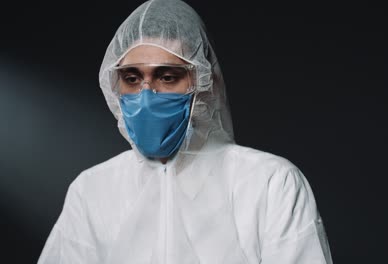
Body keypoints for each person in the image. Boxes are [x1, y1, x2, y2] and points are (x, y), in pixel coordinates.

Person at [37, 0, 333, 263]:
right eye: (131, 77)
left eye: (167, 77)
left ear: (205, 82)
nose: (147, 94)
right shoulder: (92, 191)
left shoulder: (269, 183)